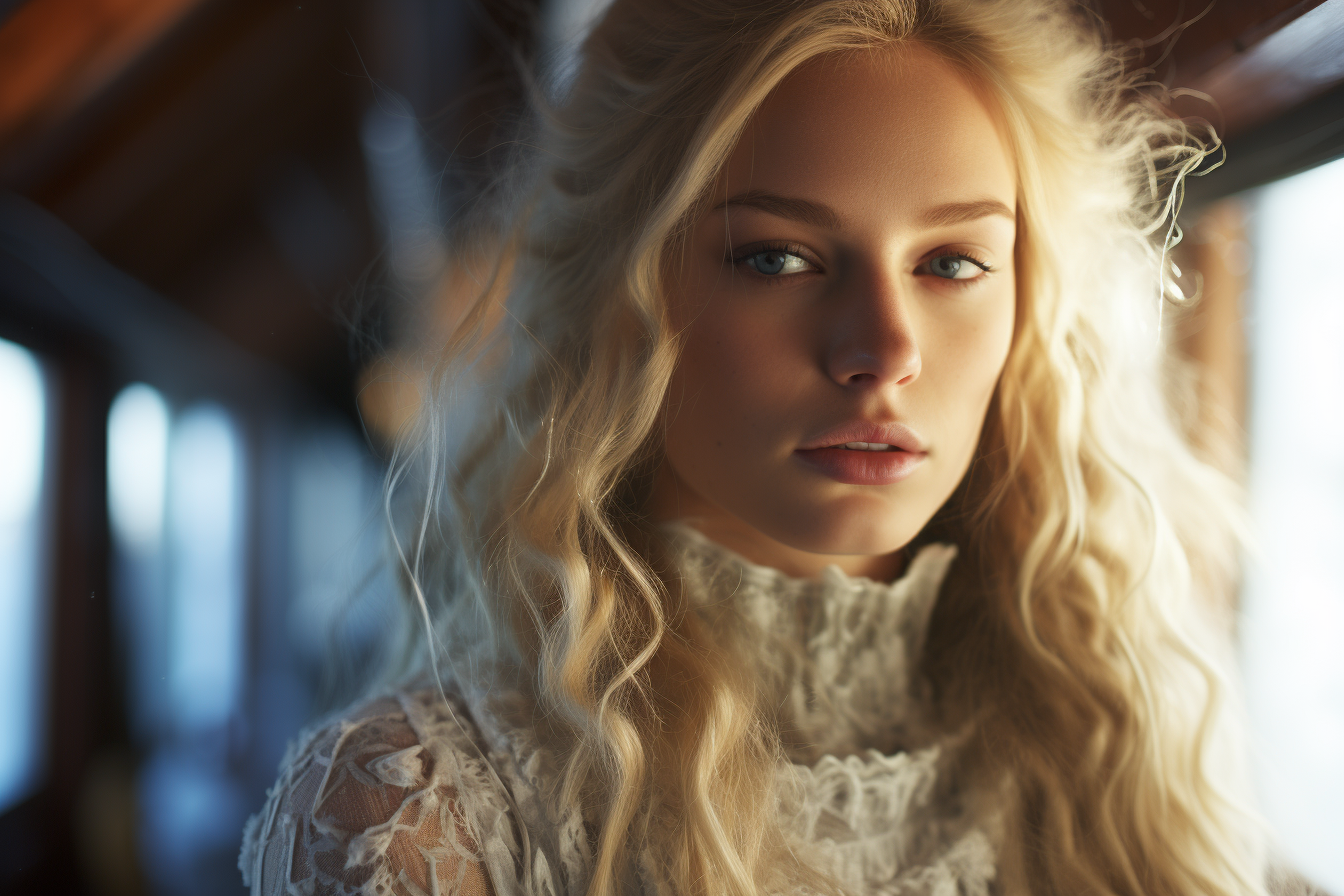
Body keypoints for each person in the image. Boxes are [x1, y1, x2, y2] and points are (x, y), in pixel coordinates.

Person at [239, 0, 1279, 894]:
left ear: (1031, 305)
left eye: (953, 262)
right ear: (624, 300)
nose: (883, 349)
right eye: (778, 256)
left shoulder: (1131, 757)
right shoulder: (423, 814)